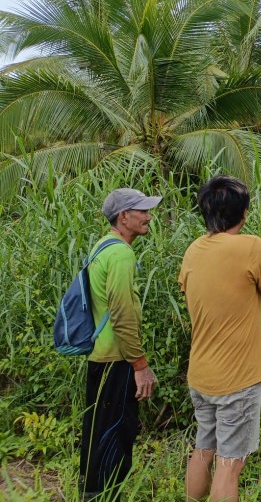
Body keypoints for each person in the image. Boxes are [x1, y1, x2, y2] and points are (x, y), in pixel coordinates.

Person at [179, 175, 261, 502]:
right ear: (244, 213)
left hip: (201, 375)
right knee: (230, 464)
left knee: (204, 448)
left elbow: (188, 290)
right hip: (237, 379)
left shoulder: (193, 250)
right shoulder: (251, 247)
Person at [81, 188, 161, 500]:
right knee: (116, 436)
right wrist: (140, 366)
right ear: (124, 216)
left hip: (99, 357)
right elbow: (122, 315)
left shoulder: (102, 246)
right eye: (143, 211)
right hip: (116, 361)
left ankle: (92, 493)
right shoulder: (121, 255)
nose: (149, 217)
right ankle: (105, 495)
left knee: (97, 434)